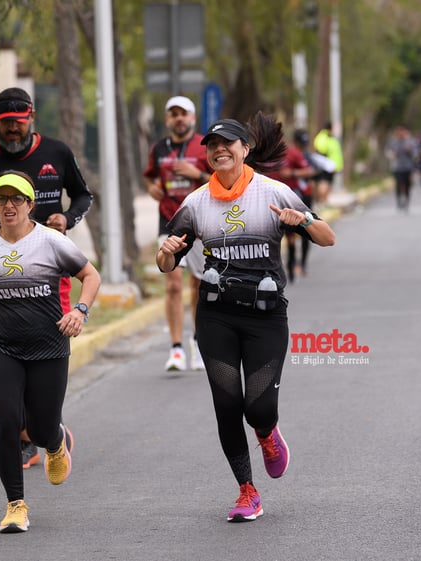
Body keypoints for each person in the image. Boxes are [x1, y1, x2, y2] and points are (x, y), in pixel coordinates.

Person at [156, 114, 335, 523]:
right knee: (225, 404)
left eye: (228, 144)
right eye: (213, 145)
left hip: (265, 318)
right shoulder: (196, 203)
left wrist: (304, 220)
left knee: (258, 408)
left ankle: (268, 434)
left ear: (245, 149)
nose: (220, 150)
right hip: (216, 316)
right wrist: (166, 252)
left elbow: (328, 237)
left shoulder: (275, 192)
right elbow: (167, 263)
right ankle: (246, 490)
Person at [0, 87, 94, 470]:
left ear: (31, 118)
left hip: (50, 267)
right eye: (5, 124)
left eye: (18, 122)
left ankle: (44, 430)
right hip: (0, 268)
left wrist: (67, 219)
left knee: (38, 346)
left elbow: (83, 196)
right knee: (8, 351)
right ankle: (25, 437)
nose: (12, 130)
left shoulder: (56, 152)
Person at [0, 170, 101, 534]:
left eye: (16, 199)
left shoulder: (51, 242)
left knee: (39, 426)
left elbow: (91, 276)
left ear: (30, 204)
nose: (8, 206)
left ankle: (55, 442)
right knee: (6, 423)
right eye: (1, 199)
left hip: (48, 345)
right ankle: (16, 505)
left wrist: (79, 311)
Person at [143, 95, 212, 371]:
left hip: (199, 222)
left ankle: (197, 343)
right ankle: (175, 349)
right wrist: (151, 187)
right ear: (167, 119)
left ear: (192, 118)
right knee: (172, 284)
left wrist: (197, 173)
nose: (178, 119)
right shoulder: (159, 148)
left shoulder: (204, 145)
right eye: (173, 114)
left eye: (183, 114)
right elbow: (149, 175)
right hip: (169, 220)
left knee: (198, 285)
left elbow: (220, 179)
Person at [265, 128, 318, 281]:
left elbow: (309, 171)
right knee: (275, 234)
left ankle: (299, 263)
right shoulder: (264, 156)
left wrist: (292, 174)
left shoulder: (293, 153)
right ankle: (284, 266)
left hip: (293, 197)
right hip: (271, 200)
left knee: (299, 231)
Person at [386, 125, 418, 211]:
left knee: (407, 185)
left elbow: (415, 154)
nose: (400, 134)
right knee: (399, 184)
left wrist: (410, 151)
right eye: (398, 132)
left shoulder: (410, 142)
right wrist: (392, 155)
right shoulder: (393, 143)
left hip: (408, 167)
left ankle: (407, 201)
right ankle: (399, 200)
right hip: (397, 167)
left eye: (402, 132)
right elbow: (388, 153)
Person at [312, 121, 343, 205]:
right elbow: (321, 150)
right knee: (324, 182)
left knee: (328, 183)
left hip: (331, 166)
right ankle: (322, 201)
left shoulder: (330, 138)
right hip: (326, 166)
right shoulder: (323, 137)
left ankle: (325, 201)